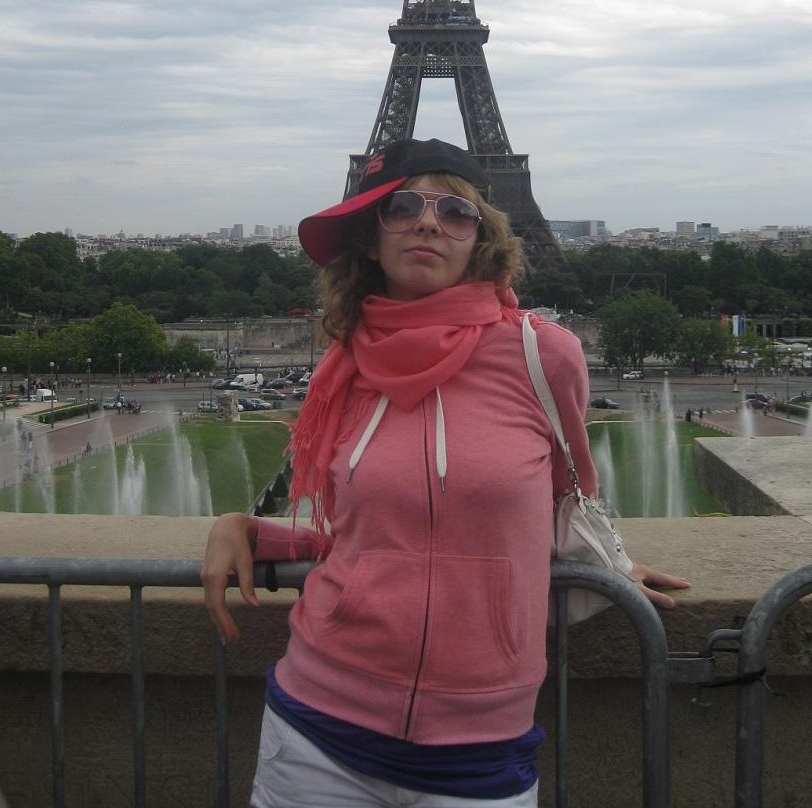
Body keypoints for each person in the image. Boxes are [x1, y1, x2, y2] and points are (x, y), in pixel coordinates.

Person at [203, 139, 688, 807]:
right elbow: (367, 538)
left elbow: (562, 506)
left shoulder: (545, 357)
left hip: (481, 743)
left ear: (479, 239)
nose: (428, 223)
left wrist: (611, 564)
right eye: (403, 206)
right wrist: (253, 531)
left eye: (456, 212)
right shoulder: (344, 364)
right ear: (371, 237)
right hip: (318, 726)